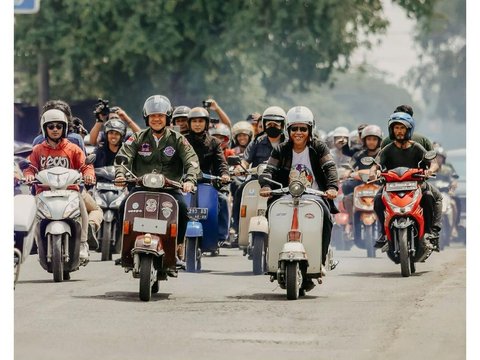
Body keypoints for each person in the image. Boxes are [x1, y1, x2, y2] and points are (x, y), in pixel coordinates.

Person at [114, 95, 200, 276]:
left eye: (160, 115)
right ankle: (125, 246)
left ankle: (178, 248)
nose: (156, 119)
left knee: (183, 209)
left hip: (170, 189)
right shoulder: (136, 138)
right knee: (122, 206)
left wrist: (190, 181)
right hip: (141, 188)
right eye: (153, 116)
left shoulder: (178, 140)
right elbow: (124, 157)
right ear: (147, 118)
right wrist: (121, 175)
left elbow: (192, 161)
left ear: (167, 117)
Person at [259, 105, 339, 291]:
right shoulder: (281, 149)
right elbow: (269, 170)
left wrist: (332, 187)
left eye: (303, 128)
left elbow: (329, 168)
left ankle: (319, 259)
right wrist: (266, 185)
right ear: (288, 130)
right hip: (285, 193)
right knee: (268, 218)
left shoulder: (318, 147)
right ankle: (271, 257)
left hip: (315, 196)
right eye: (294, 128)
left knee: (326, 218)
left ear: (310, 130)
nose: (298, 133)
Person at [23, 109, 96, 262]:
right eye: (51, 126)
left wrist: (89, 175)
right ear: (45, 129)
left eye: (58, 126)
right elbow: (30, 167)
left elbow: (85, 166)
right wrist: (28, 176)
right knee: (32, 213)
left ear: (64, 128)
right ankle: (34, 244)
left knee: (82, 206)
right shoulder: (38, 150)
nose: (55, 129)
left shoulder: (73, 149)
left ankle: (83, 243)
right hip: (44, 192)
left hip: (70, 192)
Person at [369, 111, 441, 250]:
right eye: (396, 128)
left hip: (416, 184)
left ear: (409, 129)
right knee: (378, 199)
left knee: (429, 197)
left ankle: (429, 232)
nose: (399, 131)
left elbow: (434, 162)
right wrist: (374, 172)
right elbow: (375, 165)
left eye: (402, 128)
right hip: (391, 185)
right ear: (392, 130)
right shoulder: (387, 149)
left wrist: (430, 170)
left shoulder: (417, 147)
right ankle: (383, 233)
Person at [230, 106, 288, 245]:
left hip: (280, 182)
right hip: (256, 180)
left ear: (283, 125)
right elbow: (245, 159)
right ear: (264, 124)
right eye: (269, 124)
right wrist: (239, 167)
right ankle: (239, 229)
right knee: (240, 190)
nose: (272, 126)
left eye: (276, 124)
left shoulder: (288, 143)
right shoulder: (257, 142)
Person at [185, 107, 232, 247]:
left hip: (207, 182)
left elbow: (221, 163)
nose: (197, 124)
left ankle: (220, 236)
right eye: (194, 121)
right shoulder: (182, 140)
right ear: (189, 123)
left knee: (222, 200)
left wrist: (224, 174)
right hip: (185, 182)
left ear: (206, 123)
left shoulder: (214, 142)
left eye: (200, 121)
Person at [341, 124, 383, 239]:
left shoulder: (383, 154)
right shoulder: (358, 154)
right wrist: (347, 172)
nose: (371, 142)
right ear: (364, 140)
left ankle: (387, 227)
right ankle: (351, 222)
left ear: (379, 141)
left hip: (379, 184)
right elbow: (350, 166)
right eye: (369, 139)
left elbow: (389, 167)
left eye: (374, 139)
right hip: (361, 184)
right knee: (348, 197)